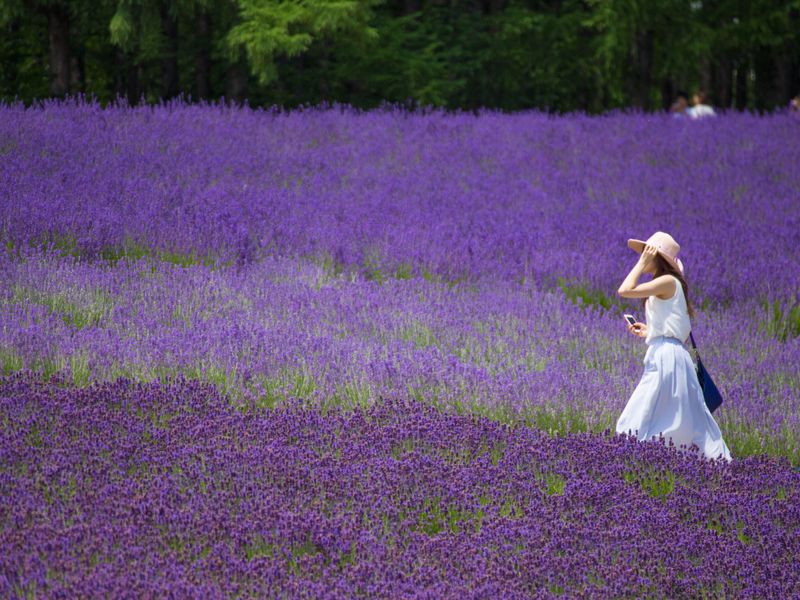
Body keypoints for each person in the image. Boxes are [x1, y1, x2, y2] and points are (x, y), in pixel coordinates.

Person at [616, 231, 731, 462]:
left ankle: (638, 461)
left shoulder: (668, 281)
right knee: (678, 417)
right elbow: (674, 324)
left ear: (656, 257)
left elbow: (624, 290)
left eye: (647, 252)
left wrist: (641, 263)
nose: (642, 256)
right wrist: (649, 330)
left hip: (666, 357)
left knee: (646, 416)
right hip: (668, 354)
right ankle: (700, 465)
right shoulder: (668, 283)